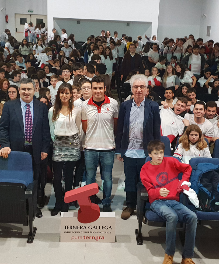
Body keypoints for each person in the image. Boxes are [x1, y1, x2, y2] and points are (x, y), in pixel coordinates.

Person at [0, 78, 51, 217]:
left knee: (35, 179)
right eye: (23, 89)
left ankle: (33, 207)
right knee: (18, 179)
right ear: (19, 90)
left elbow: (46, 130)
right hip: (16, 150)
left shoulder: (41, 107)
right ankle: (20, 207)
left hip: (36, 150)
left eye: (29, 89)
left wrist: (45, 149)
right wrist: (5, 145)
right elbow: (3, 128)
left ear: (34, 90)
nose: (26, 92)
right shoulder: (10, 106)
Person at [141, 140, 197, 264]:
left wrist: (183, 182)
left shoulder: (171, 161)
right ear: (150, 154)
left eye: (161, 152)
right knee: (172, 216)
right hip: (157, 202)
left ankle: (187, 257)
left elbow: (188, 168)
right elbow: (150, 192)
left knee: (192, 216)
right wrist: (158, 192)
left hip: (174, 200)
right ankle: (169, 255)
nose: (159, 156)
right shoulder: (145, 169)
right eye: (156, 153)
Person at [116, 74, 161, 220]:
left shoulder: (153, 106)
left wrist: (155, 152)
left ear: (147, 90)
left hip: (145, 152)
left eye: (142, 87)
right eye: (136, 87)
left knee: (144, 180)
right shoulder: (125, 106)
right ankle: (130, 205)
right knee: (130, 179)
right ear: (132, 89)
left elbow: (156, 130)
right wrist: (119, 150)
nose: (139, 89)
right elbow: (120, 129)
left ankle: (143, 208)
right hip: (129, 150)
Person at [82, 75, 119, 212]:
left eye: (100, 88)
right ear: (91, 89)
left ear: (104, 89)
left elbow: (115, 125)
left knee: (107, 177)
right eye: (95, 88)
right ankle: (91, 201)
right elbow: (85, 127)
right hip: (90, 148)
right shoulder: (85, 105)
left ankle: (107, 202)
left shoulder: (114, 104)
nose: (97, 91)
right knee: (90, 177)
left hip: (108, 147)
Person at [48, 83, 81, 216]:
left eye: (67, 93)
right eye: (62, 92)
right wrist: (56, 142)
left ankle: (66, 202)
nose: (64, 95)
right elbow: (51, 129)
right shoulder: (52, 110)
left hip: (72, 144)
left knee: (68, 176)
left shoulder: (76, 109)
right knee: (56, 178)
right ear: (58, 94)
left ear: (71, 94)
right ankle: (58, 202)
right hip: (58, 144)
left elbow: (78, 127)